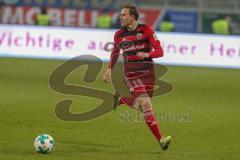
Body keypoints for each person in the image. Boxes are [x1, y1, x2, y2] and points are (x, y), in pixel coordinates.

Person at [103, 4, 171, 151]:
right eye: (120, 15)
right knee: (146, 104)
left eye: (123, 15)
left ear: (132, 17)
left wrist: (147, 54)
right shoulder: (119, 35)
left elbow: (160, 51)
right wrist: (109, 68)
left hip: (148, 73)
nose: (120, 18)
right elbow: (115, 52)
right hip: (131, 73)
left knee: (143, 106)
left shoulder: (146, 31)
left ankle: (121, 99)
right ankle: (161, 140)